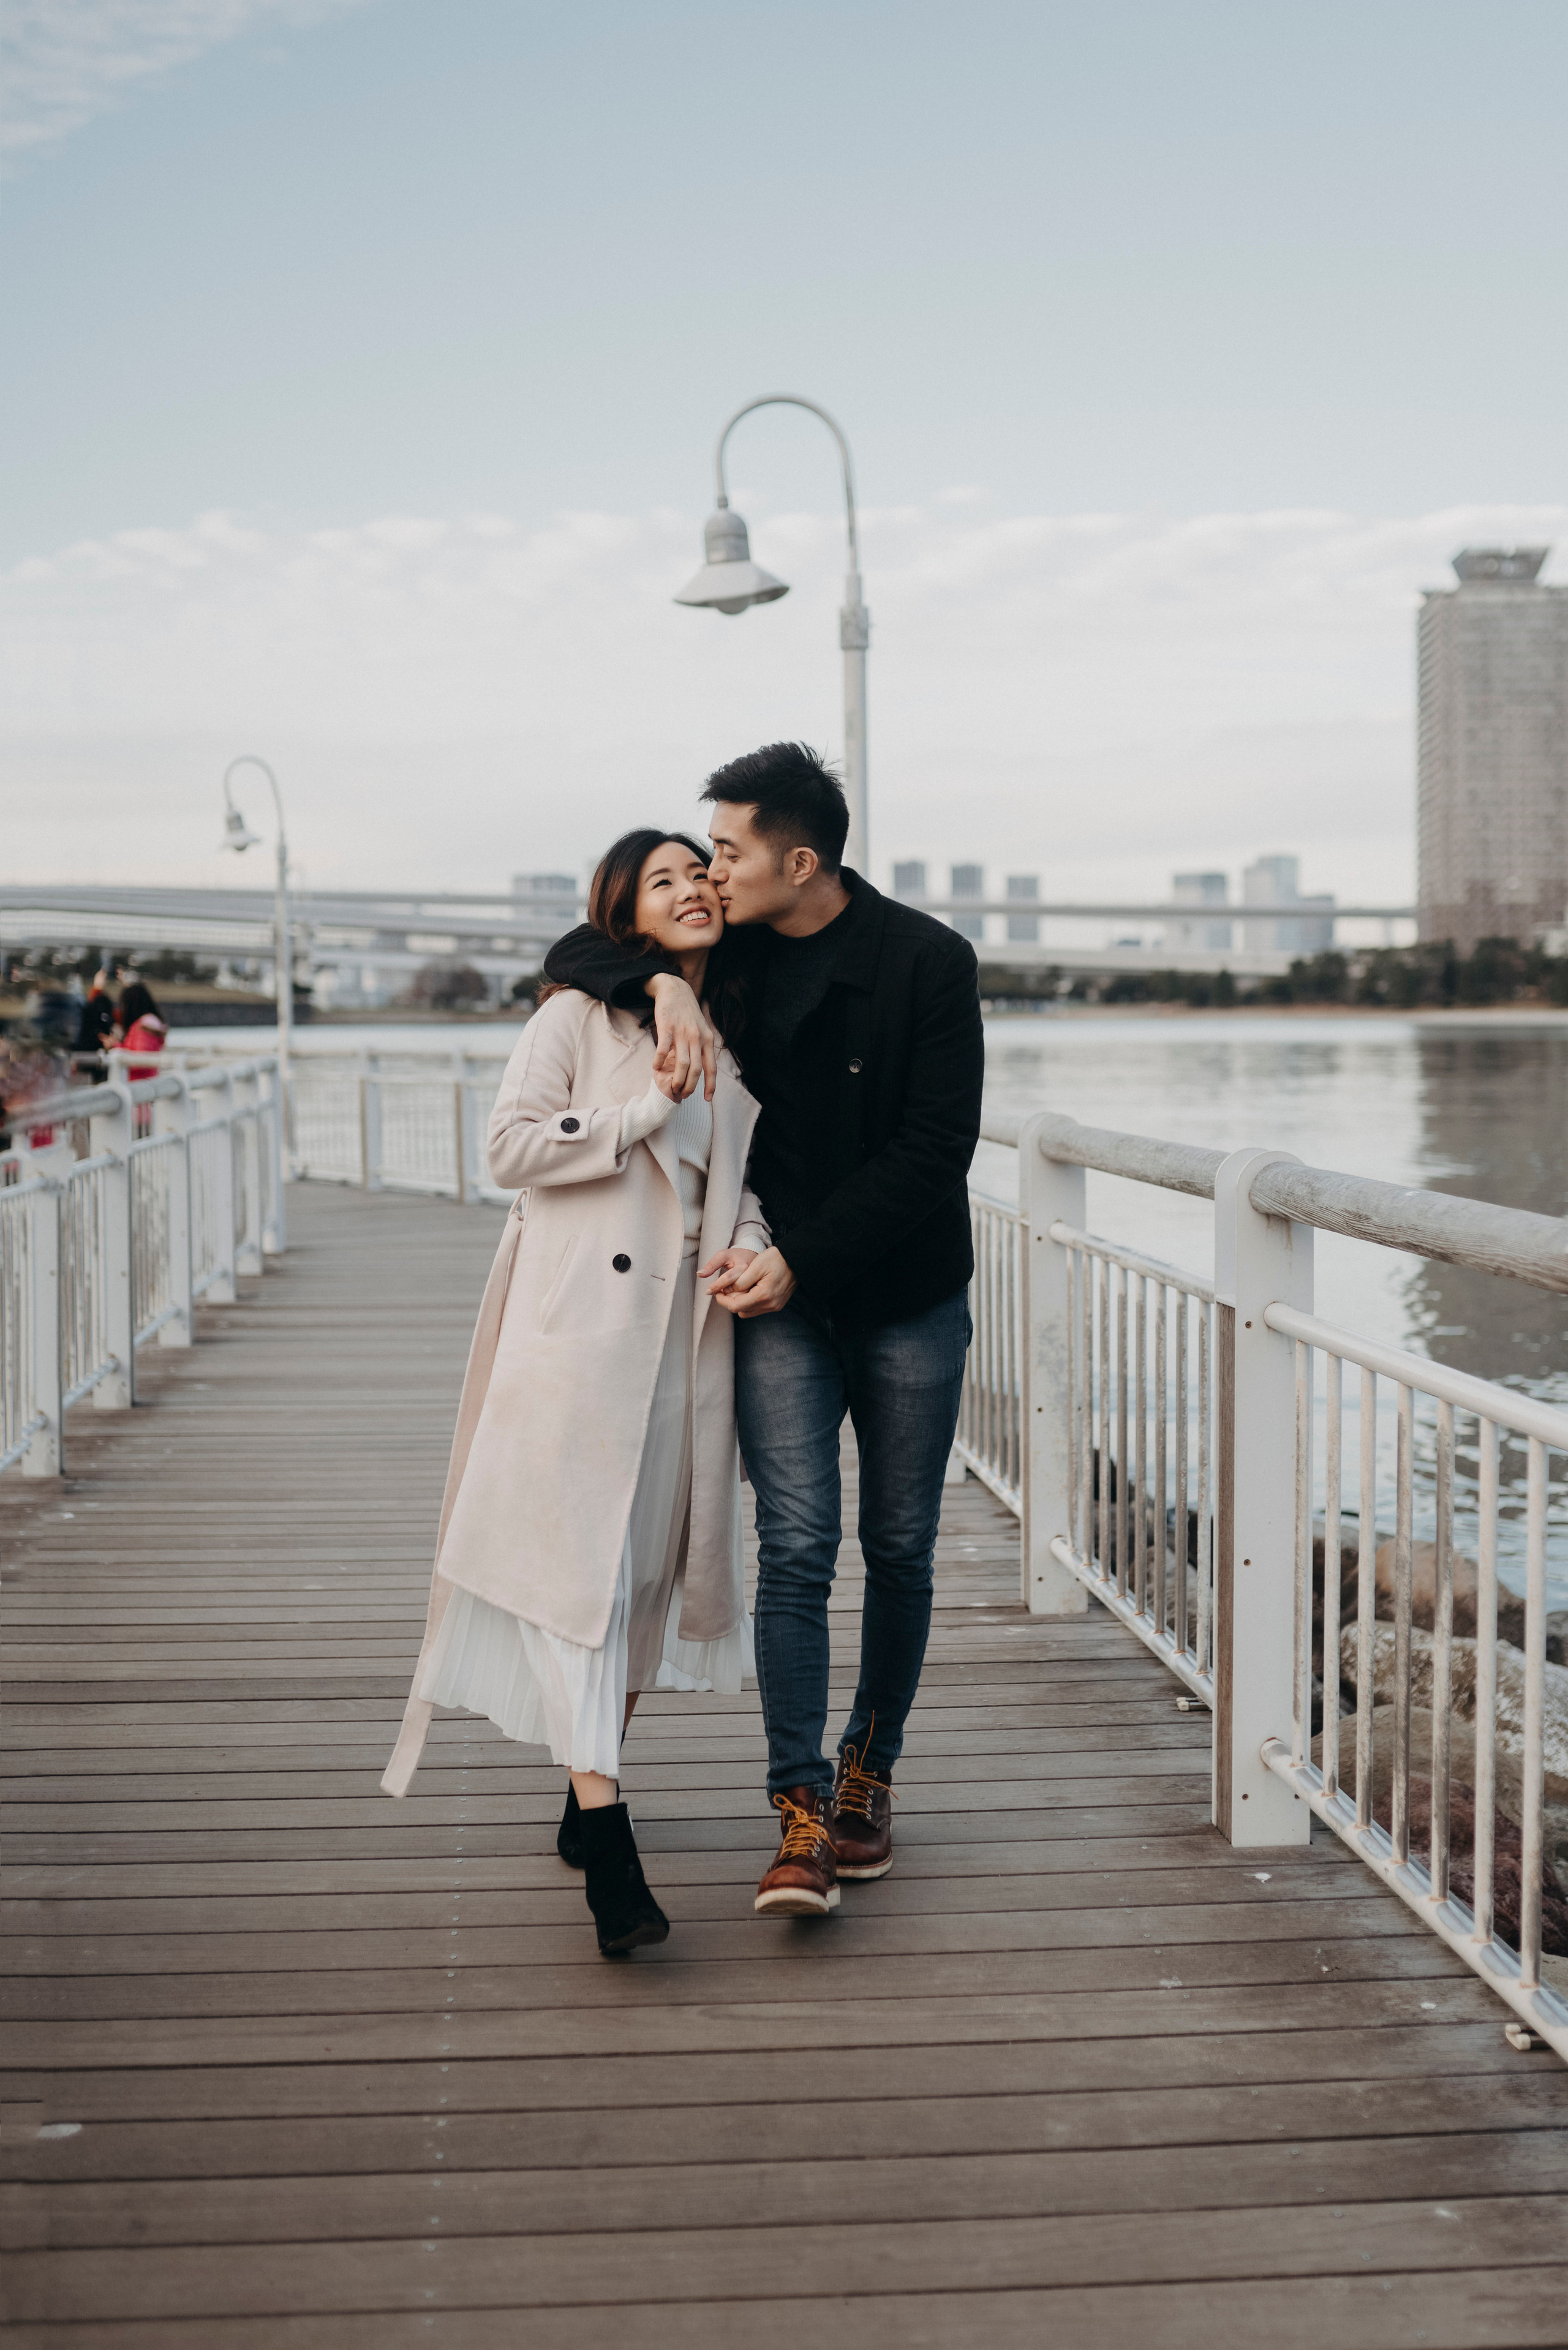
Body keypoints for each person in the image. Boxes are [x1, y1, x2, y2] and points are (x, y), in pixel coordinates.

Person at [544, 742, 984, 1919]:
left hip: (904, 1296)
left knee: (899, 1546)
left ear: (800, 859)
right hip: (773, 1299)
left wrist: (803, 1257)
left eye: (728, 852)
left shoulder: (929, 961)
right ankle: (798, 1811)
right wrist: (666, 987)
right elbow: (576, 949)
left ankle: (867, 1774)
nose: (711, 873)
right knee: (795, 1547)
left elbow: (936, 1151)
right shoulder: (721, 953)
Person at [382, 830, 770, 1956]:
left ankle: (582, 1786)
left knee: (643, 1581)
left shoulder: (734, 1037)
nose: (693, 888)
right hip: (580, 1342)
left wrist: (750, 1239)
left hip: (684, 1348)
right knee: (582, 1586)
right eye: (665, 880)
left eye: (702, 874)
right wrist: (640, 1112)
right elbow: (505, 1148)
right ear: (624, 912)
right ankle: (611, 1843)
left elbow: (741, 1181)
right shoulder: (575, 1018)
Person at [113, 977, 168, 1080]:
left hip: (138, 1086)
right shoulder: (148, 1025)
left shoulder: (143, 1028)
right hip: (146, 1083)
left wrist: (116, 1047)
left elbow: (140, 1061)